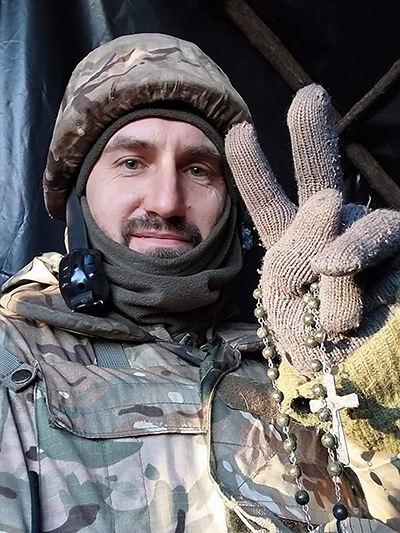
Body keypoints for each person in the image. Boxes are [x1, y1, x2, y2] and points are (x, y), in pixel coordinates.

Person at [0, 33, 398, 533]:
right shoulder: (12, 355)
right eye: (131, 163)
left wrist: (366, 387)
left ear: (232, 206)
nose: (166, 201)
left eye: (198, 169)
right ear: (80, 193)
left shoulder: (291, 361)